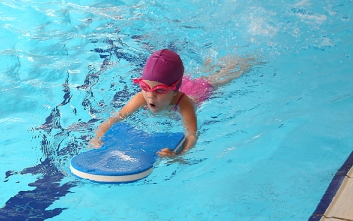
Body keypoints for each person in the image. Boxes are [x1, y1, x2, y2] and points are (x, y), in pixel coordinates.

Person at [90, 49, 250, 156]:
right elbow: (115, 118)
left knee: (219, 78)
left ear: (173, 89)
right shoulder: (141, 97)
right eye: (144, 87)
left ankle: (244, 62)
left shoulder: (184, 103)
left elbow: (191, 135)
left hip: (197, 92)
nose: (150, 96)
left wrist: (178, 155)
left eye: (159, 90)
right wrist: (98, 137)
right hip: (176, 84)